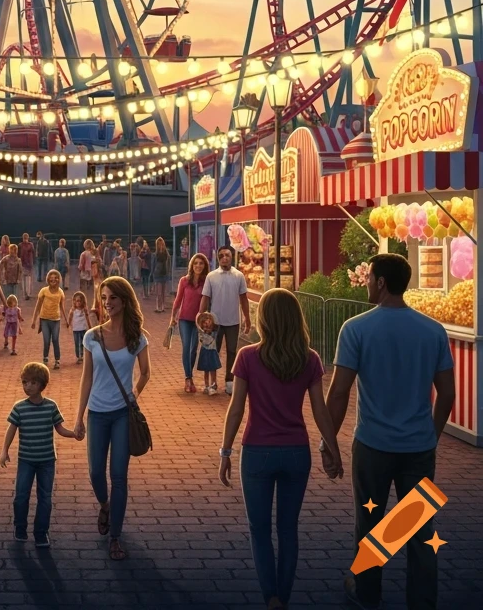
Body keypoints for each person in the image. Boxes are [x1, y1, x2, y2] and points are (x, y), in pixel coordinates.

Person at [323, 253, 455, 610]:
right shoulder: (433, 330)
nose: (366, 283)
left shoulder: (357, 329)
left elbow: (338, 392)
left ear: (380, 282)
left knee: (368, 521)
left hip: (373, 446)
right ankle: (423, 600)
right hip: (418, 448)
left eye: (369, 279)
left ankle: (367, 594)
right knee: (421, 530)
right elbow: (448, 393)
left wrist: (329, 442)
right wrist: (433, 434)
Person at [220, 289, 343, 610]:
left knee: (259, 529)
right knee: (288, 529)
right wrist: (334, 448)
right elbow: (320, 410)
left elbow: (235, 410)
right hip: (296, 452)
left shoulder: (247, 357)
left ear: (265, 320)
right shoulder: (309, 359)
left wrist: (225, 452)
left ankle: (270, 597)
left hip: (257, 451)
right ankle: (284, 597)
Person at [74, 275, 150, 561]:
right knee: (95, 472)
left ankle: (115, 537)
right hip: (97, 412)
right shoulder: (92, 336)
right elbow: (86, 378)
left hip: (121, 415)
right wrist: (79, 416)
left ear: (124, 300)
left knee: (119, 476)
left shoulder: (136, 337)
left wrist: (134, 394)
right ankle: (105, 505)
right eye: (104, 298)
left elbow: (146, 373)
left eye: (113, 298)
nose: (107, 303)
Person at [1, 360, 76, 547]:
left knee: (45, 497)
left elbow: (60, 428)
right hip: (26, 459)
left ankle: (41, 532)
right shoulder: (19, 407)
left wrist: (74, 434)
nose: (28, 386)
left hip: (47, 460)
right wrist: (4, 450)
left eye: (33, 382)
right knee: (21, 496)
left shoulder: (51, 406)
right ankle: (20, 528)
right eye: (25, 382)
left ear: (42, 384)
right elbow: (11, 429)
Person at [199, 244, 251, 393]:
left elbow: (244, 298)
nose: (224, 258)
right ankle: (213, 383)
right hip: (214, 323)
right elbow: (205, 297)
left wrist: (247, 319)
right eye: (221, 255)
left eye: (227, 255)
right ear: (218, 258)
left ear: (232, 257)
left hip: (233, 321)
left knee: (232, 351)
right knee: (212, 351)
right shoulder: (211, 276)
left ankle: (229, 380)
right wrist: (200, 317)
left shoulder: (239, 276)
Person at [171, 253, 210, 393]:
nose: (198, 266)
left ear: (205, 266)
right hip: (184, 320)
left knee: (193, 349)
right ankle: (188, 378)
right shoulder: (184, 281)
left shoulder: (206, 281)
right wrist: (173, 317)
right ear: (191, 266)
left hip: (198, 321)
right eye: (195, 263)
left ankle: (189, 374)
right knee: (186, 347)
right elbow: (178, 300)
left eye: (201, 263)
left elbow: (208, 301)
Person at [31, 269, 68, 368]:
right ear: (48, 280)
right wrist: (34, 320)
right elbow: (38, 306)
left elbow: (62, 307)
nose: (53, 280)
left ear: (58, 279)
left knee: (55, 339)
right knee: (46, 340)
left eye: (55, 278)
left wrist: (66, 319)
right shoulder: (44, 291)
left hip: (56, 319)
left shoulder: (60, 292)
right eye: (51, 278)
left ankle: (57, 360)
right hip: (44, 319)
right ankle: (45, 357)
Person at [195, 310, 222, 393]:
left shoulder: (214, 332)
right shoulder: (201, 333)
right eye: (204, 323)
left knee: (213, 369)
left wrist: (211, 316)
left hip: (212, 352)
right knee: (206, 370)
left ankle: (213, 384)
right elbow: (201, 338)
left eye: (208, 322)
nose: (206, 325)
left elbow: (217, 323)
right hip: (205, 352)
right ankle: (206, 385)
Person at [151, 237, 171, 312]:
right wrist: (152, 274)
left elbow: (169, 264)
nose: (160, 245)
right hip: (157, 275)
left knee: (163, 292)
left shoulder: (167, 254)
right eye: (158, 244)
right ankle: (158, 307)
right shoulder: (155, 254)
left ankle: (162, 306)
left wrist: (169, 274)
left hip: (164, 274)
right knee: (159, 292)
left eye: (161, 243)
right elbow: (153, 264)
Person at [70, 291, 89, 364]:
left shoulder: (84, 310)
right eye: (77, 301)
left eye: (80, 301)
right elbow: (70, 317)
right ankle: (78, 356)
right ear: (74, 301)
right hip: (76, 329)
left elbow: (87, 318)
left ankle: (82, 356)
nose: (78, 303)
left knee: (82, 343)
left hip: (83, 329)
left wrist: (90, 326)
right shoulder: (73, 310)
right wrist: (69, 324)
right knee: (76, 343)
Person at [19, 232, 35, 300]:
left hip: (28, 264)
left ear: (28, 238)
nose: (25, 239)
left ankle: (27, 294)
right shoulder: (21, 245)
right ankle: (25, 294)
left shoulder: (30, 245)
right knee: (24, 279)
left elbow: (33, 253)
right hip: (24, 264)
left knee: (27, 279)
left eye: (26, 238)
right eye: (24, 238)